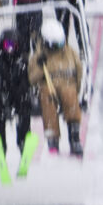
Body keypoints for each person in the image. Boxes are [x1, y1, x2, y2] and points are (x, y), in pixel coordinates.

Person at [28, 19, 84, 156]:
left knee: (69, 95)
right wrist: (41, 68)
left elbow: (79, 72)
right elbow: (32, 79)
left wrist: (77, 88)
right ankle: (52, 138)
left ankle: (74, 136)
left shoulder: (69, 52)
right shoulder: (39, 55)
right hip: (48, 85)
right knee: (48, 99)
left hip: (67, 84)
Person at [0, 33, 35, 180]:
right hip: (0, 96)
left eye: (13, 45)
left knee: (24, 107)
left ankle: (24, 142)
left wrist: (21, 94)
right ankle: (0, 146)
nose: (10, 48)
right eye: (7, 45)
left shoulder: (22, 61)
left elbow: (26, 81)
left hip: (17, 95)